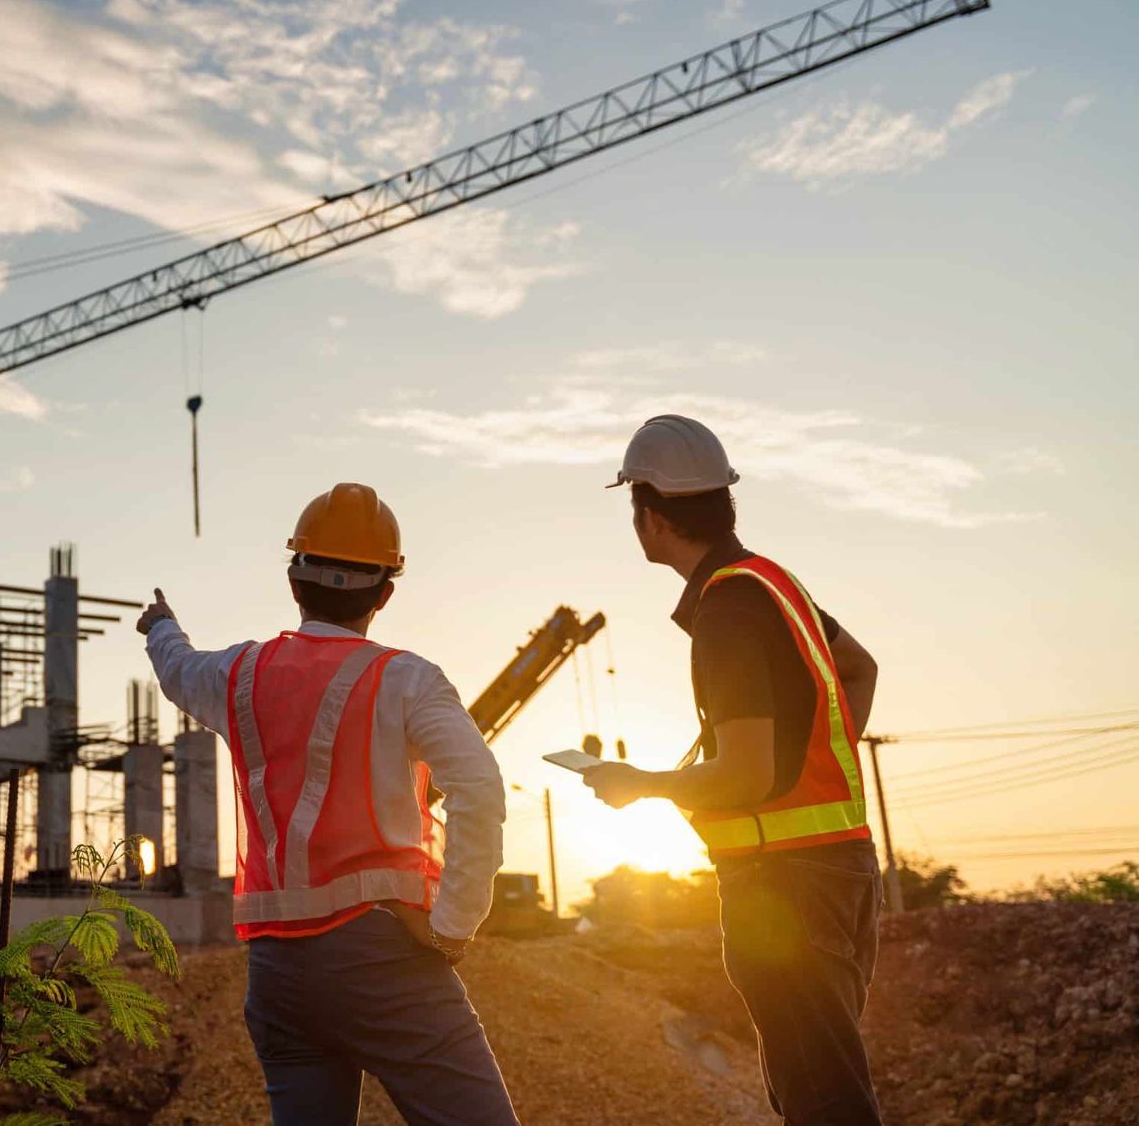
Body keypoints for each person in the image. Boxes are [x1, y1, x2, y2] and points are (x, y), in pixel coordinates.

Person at [135, 482, 517, 1126]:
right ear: (385, 593)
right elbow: (479, 789)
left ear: (294, 581)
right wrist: (453, 927)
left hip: (280, 973)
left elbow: (179, 670)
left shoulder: (240, 675)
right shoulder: (407, 679)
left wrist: (162, 627)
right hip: (386, 960)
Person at [581, 415, 885, 1126]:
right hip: (838, 873)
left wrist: (642, 784)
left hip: (786, 887)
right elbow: (859, 671)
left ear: (651, 515)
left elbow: (746, 776)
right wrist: (805, 752)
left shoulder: (728, 609)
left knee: (825, 1104)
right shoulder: (772, 582)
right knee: (819, 1088)